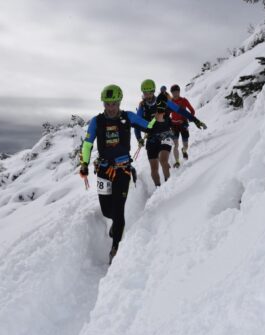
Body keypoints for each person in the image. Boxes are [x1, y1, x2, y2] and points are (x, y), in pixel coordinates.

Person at [79, 84, 156, 265]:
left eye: (113, 103)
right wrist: (84, 163)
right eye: (107, 104)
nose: (110, 107)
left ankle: (115, 249)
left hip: (123, 169)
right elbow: (88, 143)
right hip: (104, 170)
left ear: (119, 102)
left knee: (119, 208)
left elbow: (149, 126)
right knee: (107, 210)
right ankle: (115, 224)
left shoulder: (128, 117)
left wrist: (159, 116)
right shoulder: (96, 122)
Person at [135, 79, 207, 186]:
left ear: (153, 91)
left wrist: (195, 120)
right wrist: (139, 139)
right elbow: (137, 123)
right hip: (151, 137)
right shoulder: (142, 106)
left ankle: (167, 186)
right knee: (154, 169)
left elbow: (181, 110)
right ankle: (158, 188)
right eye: (144, 92)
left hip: (165, 134)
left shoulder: (164, 101)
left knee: (163, 160)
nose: (146, 95)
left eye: (148, 92)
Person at [170, 84, 196, 168]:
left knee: (185, 144)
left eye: (176, 91)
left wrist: (189, 118)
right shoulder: (170, 103)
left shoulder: (184, 100)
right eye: (173, 92)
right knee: (175, 145)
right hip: (174, 125)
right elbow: (166, 114)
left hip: (183, 124)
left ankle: (184, 151)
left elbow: (192, 110)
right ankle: (177, 162)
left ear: (179, 92)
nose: (175, 93)